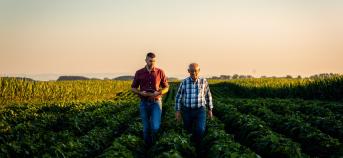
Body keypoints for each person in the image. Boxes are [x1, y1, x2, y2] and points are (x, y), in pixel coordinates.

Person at [131, 52, 169, 146]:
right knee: (146, 128)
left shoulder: (160, 72)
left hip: (156, 102)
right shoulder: (139, 72)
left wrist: (159, 92)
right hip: (144, 102)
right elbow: (133, 87)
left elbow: (166, 87)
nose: (152, 63)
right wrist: (140, 92)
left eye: (154, 61)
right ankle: (147, 148)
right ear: (146, 60)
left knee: (155, 127)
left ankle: (154, 146)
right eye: (150, 60)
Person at [175, 63, 213, 144]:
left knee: (200, 129)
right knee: (187, 129)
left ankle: (198, 144)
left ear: (199, 71)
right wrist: (177, 111)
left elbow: (208, 95)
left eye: (195, 71)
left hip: (200, 110)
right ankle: (190, 146)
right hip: (187, 110)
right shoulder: (184, 82)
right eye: (191, 71)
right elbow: (178, 97)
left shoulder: (203, 81)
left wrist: (210, 109)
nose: (194, 73)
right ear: (188, 71)